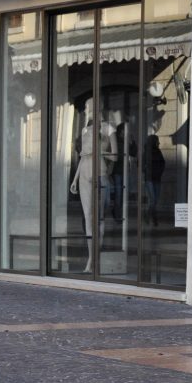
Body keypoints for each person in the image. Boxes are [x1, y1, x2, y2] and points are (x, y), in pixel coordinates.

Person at [70, 98, 117, 273]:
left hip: (100, 173)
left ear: (99, 107)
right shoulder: (85, 130)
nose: (87, 109)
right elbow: (82, 157)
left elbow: (116, 156)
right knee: (88, 218)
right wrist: (74, 179)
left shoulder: (109, 129)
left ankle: (96, 258)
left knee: (99, 218)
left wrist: (100, 151)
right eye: (87, 106)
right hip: (83, 175)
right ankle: (91, 259)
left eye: (89, 106)